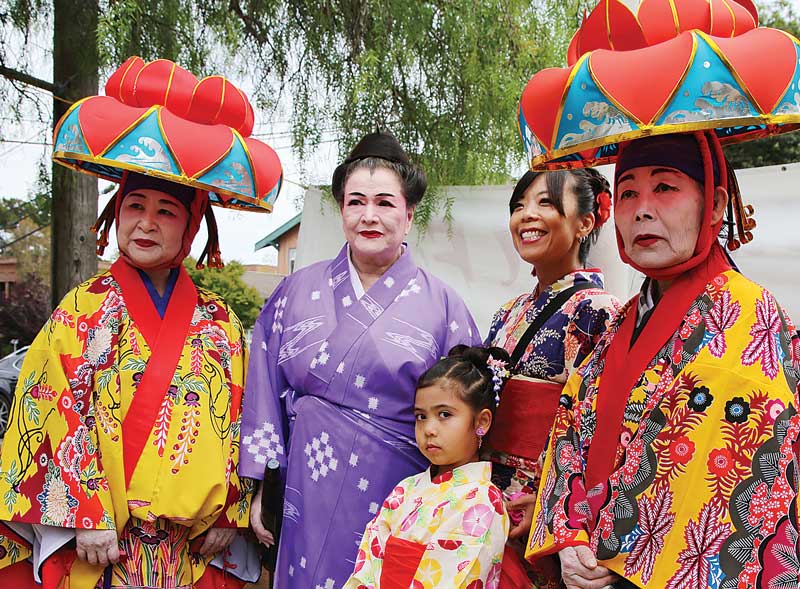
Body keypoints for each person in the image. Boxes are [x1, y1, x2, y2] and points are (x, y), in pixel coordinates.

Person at [0, 57, 282, 588]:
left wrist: (229, 511)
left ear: (192, 225)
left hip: (187, 548)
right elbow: (46, 408)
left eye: (166, 211)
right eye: (135, 206)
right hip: (100, 540)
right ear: (115, 216)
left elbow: (241, 419)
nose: (146, 223)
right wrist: (83, 511)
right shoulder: (82, 310)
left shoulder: (219, 322)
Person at [526, 132, 800, 588]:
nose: (642, 210)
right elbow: (571, 430)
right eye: (629, 192)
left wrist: (616, 553)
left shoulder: (752, 315)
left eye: (666, 188)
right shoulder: (622, 320)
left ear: (713, 205)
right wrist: (569, 538)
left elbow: (735, 469)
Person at [240, 132, 482, 588]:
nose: (369, 216)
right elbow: (264, 394)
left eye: (385, 203)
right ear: (342, 211)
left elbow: (464, 416)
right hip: (301, 488)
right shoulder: (294, 292)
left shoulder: (444, 307)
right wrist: (259, 487)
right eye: (356, 202)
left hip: (399, 489)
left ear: (409, 215)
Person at [482, 169, 620, 587]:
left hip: (541, 507)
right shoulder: (507, 312)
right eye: (519, 206)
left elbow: (598, 432)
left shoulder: (599, 310)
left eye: (545, 203)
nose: (527, 216)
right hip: (486, 496)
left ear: (586, 222)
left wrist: (548, 503)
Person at [343, 345, 511, 589]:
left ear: (481, 422)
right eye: (421, 416)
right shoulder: (407, 488)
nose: (429, 429)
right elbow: (369, 562)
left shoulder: (483, 501)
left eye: (444, 414)